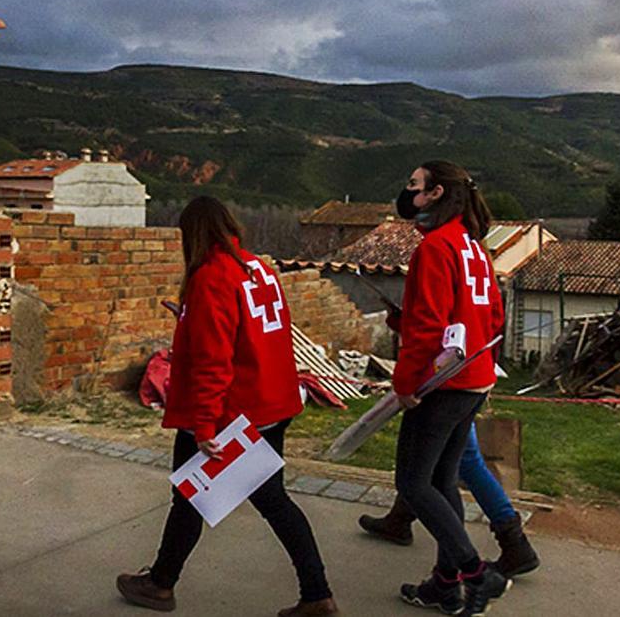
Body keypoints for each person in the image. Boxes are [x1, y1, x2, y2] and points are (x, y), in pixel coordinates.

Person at [117, 196, 339, 616]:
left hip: (231, 414)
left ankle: (163, 584)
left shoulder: (210, 276)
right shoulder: (258, 268)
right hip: (272, 404)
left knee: (197, 497)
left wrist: (204, 426)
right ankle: (314, 593)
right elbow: (250, 333)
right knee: (244, 499)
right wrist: (191, 317)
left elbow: (213, 360)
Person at [389, 160, 511, 616]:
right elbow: (492, 317)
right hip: (474, 377)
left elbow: (426, 326)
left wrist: (405, 382)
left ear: (436, 194)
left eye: (414, 185)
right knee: (442, 480)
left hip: (442, 384)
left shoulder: (435, 248)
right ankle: (444, 583)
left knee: (413, 481)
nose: (408, 194)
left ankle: (477, 573)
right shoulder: (473, 247)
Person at [358, 424, 540, 578]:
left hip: (450, 391)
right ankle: (400, 518)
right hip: (461, 389)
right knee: (433, 457)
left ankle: (511, 544)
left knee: (462, 459)